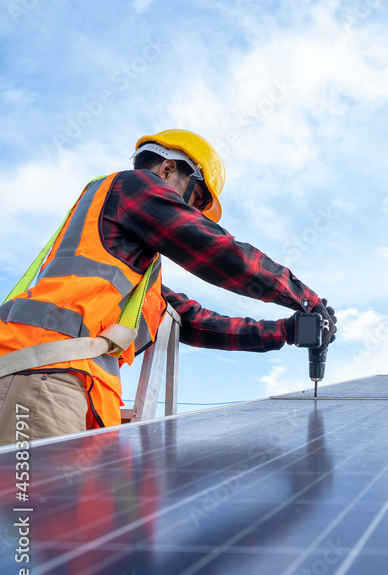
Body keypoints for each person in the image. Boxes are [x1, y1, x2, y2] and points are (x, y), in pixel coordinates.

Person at [0, 129, 336, 444]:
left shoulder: (133, 273)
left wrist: (284, 331)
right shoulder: (131, 186)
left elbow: (192, 321)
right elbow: (215, 250)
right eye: (198, 198)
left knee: (66, 507)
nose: (194, 211)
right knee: (30, 507)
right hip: (41, 373)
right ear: (167, 169)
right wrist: (306, 298)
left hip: (70, 383)